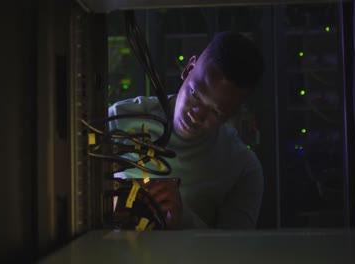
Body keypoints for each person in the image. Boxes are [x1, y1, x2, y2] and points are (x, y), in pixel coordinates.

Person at [108, 31, 264, 229]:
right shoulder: (118, 120)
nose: (197, 115)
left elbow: (235, 254)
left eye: (216, 112)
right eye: (196, 94)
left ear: (233, 113)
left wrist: (183, 219)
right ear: (188, 69)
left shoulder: (243, 169)